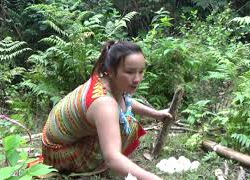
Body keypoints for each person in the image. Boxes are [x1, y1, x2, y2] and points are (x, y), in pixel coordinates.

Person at [41, 40, 172, 179]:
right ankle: (86, 169)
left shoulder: (104, 80)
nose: (137, 79)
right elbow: (112, 158)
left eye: (141, 72)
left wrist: (156, 114)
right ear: (110, 71)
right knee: (124, 126)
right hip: (58, 152)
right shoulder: (104, 104)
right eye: (130, 72)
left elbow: (125, 102)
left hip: (59, 141)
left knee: (125, 121)